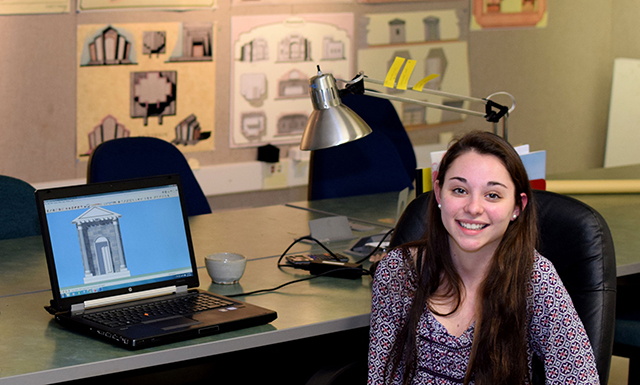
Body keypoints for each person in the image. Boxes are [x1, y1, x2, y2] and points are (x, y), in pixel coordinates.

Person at [368, 131, 600, 385]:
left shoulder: (534, 278)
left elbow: (579, 377)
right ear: (438, 193)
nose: (473, 208)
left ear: (517, 207)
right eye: (459, 190)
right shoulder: (399, 270)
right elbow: (383, 376)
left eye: (493, 195)